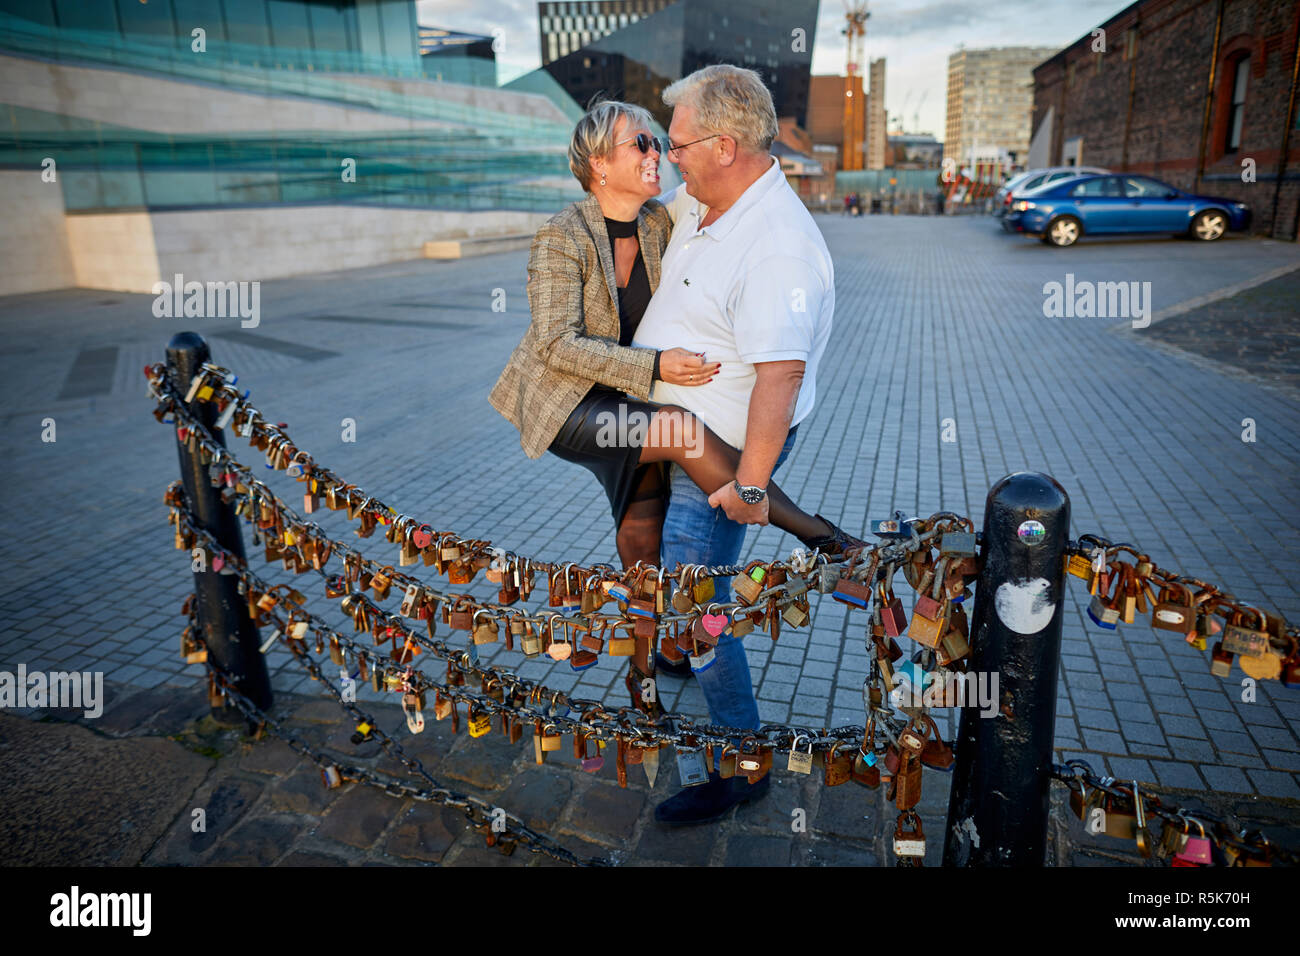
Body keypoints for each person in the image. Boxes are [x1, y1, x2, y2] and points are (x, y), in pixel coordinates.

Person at [488, 98, 859, 575]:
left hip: (627, 404)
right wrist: (657, 366)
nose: (657, 153)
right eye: (640, 143)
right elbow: (555, 344)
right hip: (573, 409)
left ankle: (652, 648)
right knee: (679, 429)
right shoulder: (563, 235)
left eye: (659, 143)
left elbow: (735, 179)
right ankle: (821, 536)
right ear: (598, 163)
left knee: (642, 537)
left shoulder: (658, 221)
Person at [630, 65, 847, 825]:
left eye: (676, 142)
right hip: (684, 435)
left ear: (724, 145)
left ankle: (746, 762)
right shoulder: (708, 198)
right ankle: (693, 659)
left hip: (723, 454)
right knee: (682, 590)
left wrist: (751, 487)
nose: (668, 156)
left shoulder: (776, 246)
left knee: (696, 603)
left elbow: (780, 379)